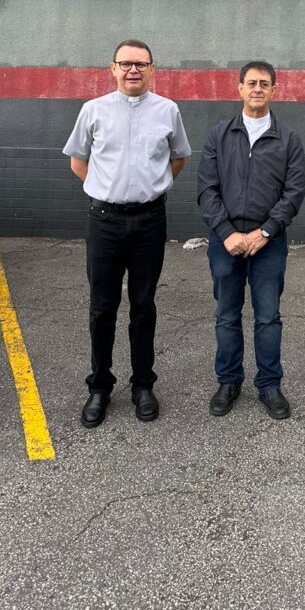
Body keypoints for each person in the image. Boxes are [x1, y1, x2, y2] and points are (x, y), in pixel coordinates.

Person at [63, 39, 191, 428]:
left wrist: (151, 190)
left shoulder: (168, 110)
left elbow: (179, 158)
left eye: (141, 64)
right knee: (102, 307)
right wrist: (108, 191)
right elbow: (78, 162)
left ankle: (142, 385)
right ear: (112, 68)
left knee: (143, 306)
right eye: (126, 63)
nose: (133, 70)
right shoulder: (93, 110)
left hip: (150, 222)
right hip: (104, 222)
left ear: (153, 69)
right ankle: (100, 386)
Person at [197, 61, 305, 420]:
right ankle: (228, 382)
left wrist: (265, 231)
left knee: (268, 317)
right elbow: (207, 189)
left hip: (268, 242)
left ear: (275, 90)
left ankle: (269, 384)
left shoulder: (288, 138)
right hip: (225, 243)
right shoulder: (219, 135)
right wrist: (227, 233)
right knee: (227, 316)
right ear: (239, 88)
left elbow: (294, 192)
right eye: (251, 83)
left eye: (264, 83)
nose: (257, 89)